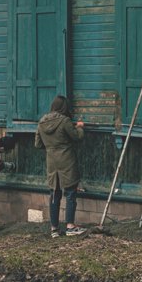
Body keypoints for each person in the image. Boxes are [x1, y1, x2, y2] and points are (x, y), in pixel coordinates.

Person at [35, 95, 86, 237]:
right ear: (64, 107)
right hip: (67, 161)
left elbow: (38, 144)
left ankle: (54, 229)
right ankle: (70, 226)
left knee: (54, 194)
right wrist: (80, 127)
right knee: (70, 192)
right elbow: (77, 137)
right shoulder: (64, 121)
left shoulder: (41, 122)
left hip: (52, 162)